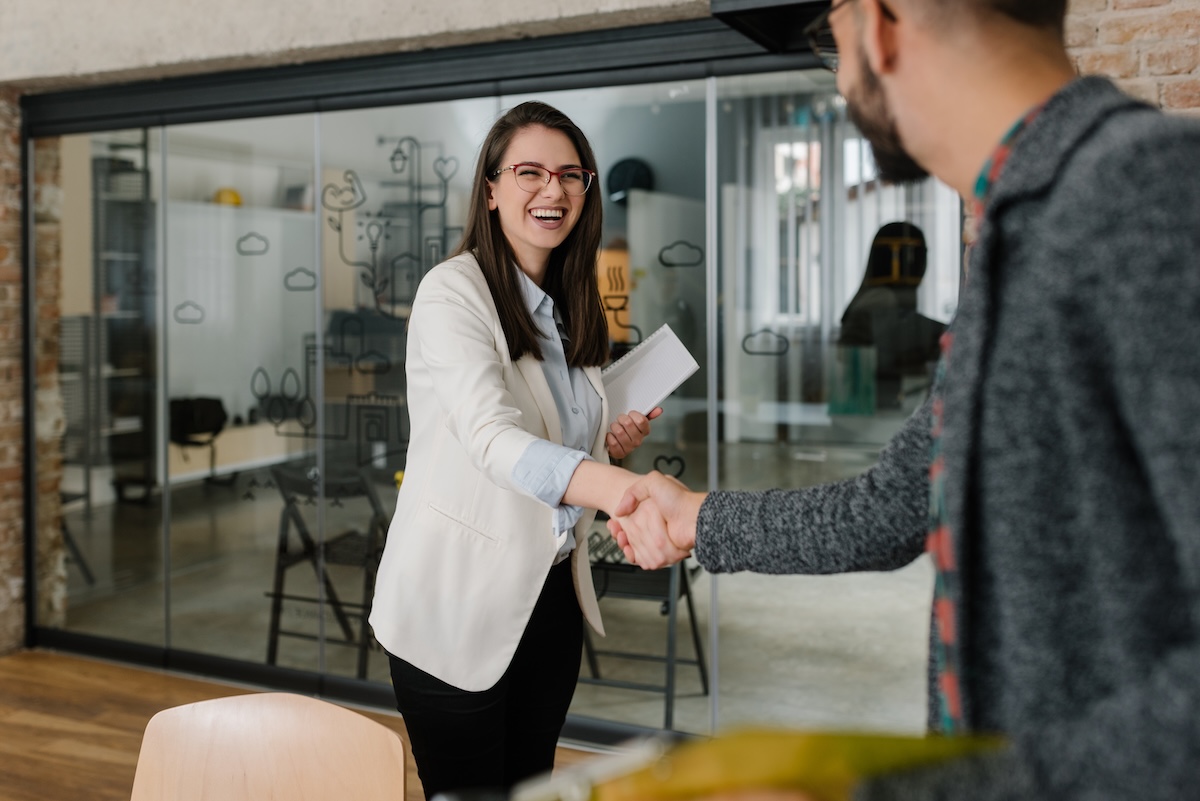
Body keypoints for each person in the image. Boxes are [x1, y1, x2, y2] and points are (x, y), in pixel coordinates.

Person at [608, 0, 1200, 798]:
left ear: (879, 23)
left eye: (831, 35)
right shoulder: (1017, 236)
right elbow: (892, 507)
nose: (841, 71)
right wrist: (696, 518)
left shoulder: (1148, 194)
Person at [368, 101, 661, 799]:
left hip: (548, 595)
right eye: (529, 172)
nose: (552, 190)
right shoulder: (453, 293)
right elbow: (494, 439)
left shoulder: (568, 301)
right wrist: (621, 491)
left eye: (569, 175)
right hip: (453, 603)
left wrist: (604, 442)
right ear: (491, 189)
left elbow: (552, 438)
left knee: (531, 787)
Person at [837, 221, 944, 409]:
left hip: (881, 406)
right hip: (870, 413)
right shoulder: (881, 298)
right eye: (919, 255)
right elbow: (901, 343)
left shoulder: (882, 296)